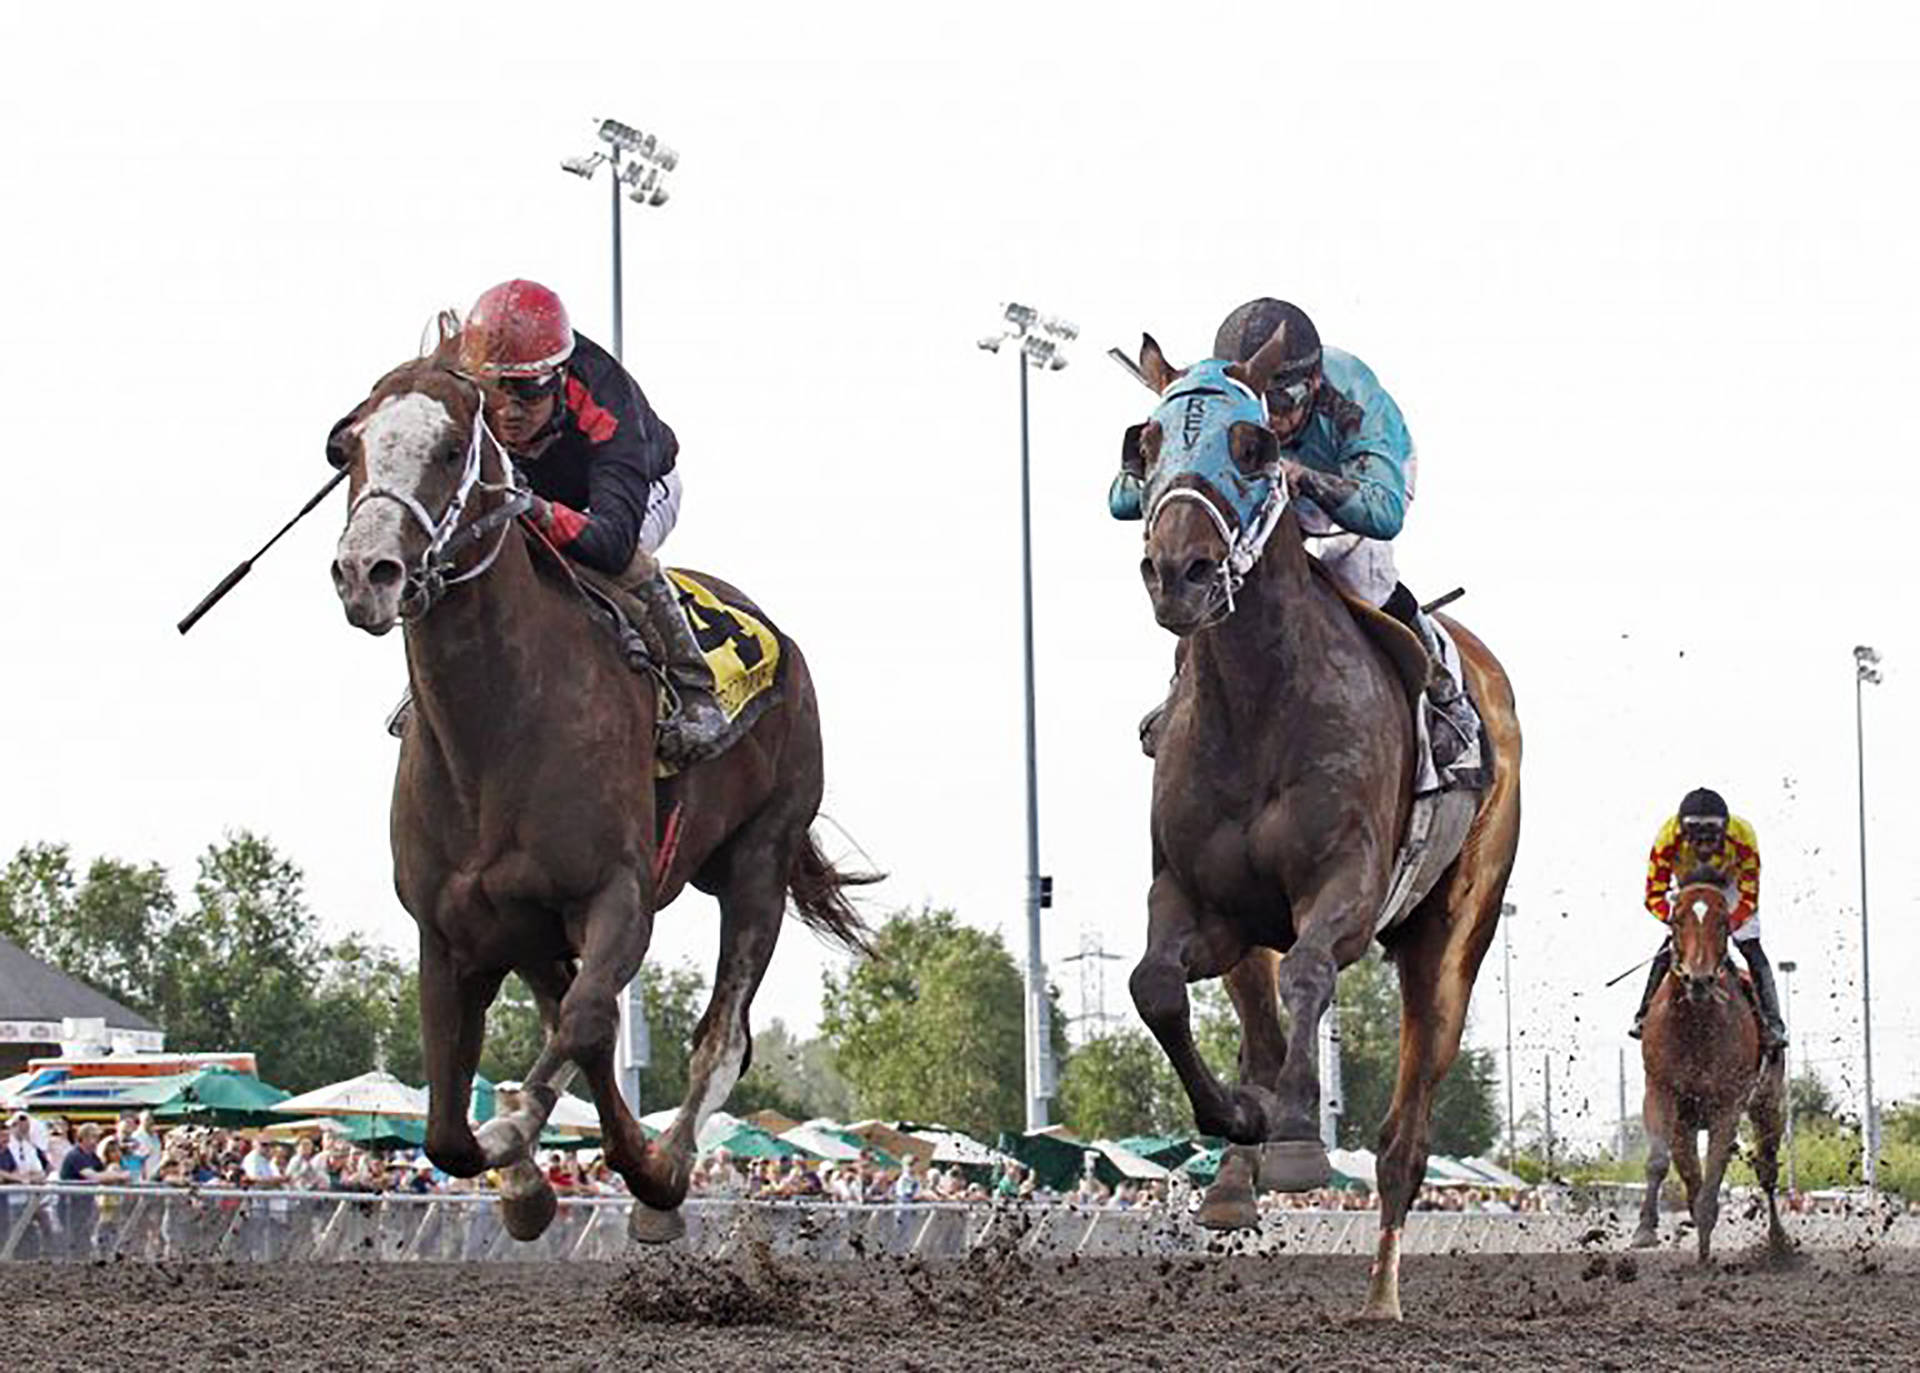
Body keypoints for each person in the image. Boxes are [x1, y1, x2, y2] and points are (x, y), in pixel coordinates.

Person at [1111, 298, 1481, 784]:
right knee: (1219, 572)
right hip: (1260, 481)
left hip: (1351, 485)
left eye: (1282, 404)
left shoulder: (1353, 399)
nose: (1275, 420)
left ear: (1312, 385)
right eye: (1262, 406)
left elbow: (1384, 513)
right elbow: (1121, 501)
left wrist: (1303, 478)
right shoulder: (1218, 391)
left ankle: (1443, 692)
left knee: (1361, 574)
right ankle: (1186, 685)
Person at [363, 279, 726, 764]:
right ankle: (428, 685)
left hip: (634, 491)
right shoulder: (467, 381)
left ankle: (693, 687)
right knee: (465, 545)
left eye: (529, 393)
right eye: (498, 393)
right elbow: (382, 412)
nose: (510, 412)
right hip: (533, 485)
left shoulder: (609, 401)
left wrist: (535, 511)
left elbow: (613, 544)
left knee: (610, 567)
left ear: (557, 376)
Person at [1630, 786, 1786, 1049]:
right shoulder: (1667, 839)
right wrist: (1678, 921)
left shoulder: (1744, 838)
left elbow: (1749, 895)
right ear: (1684, 833)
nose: (1704, 848)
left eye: (1711, 841)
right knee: (1671, 946)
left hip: (1730, 886)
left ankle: (1773, 1022)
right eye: (1697, 842)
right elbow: (1653, 894)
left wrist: (1728, 924)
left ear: (1724, 832)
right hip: (1688, 885)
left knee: (1750, 946)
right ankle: (1644, 1014)